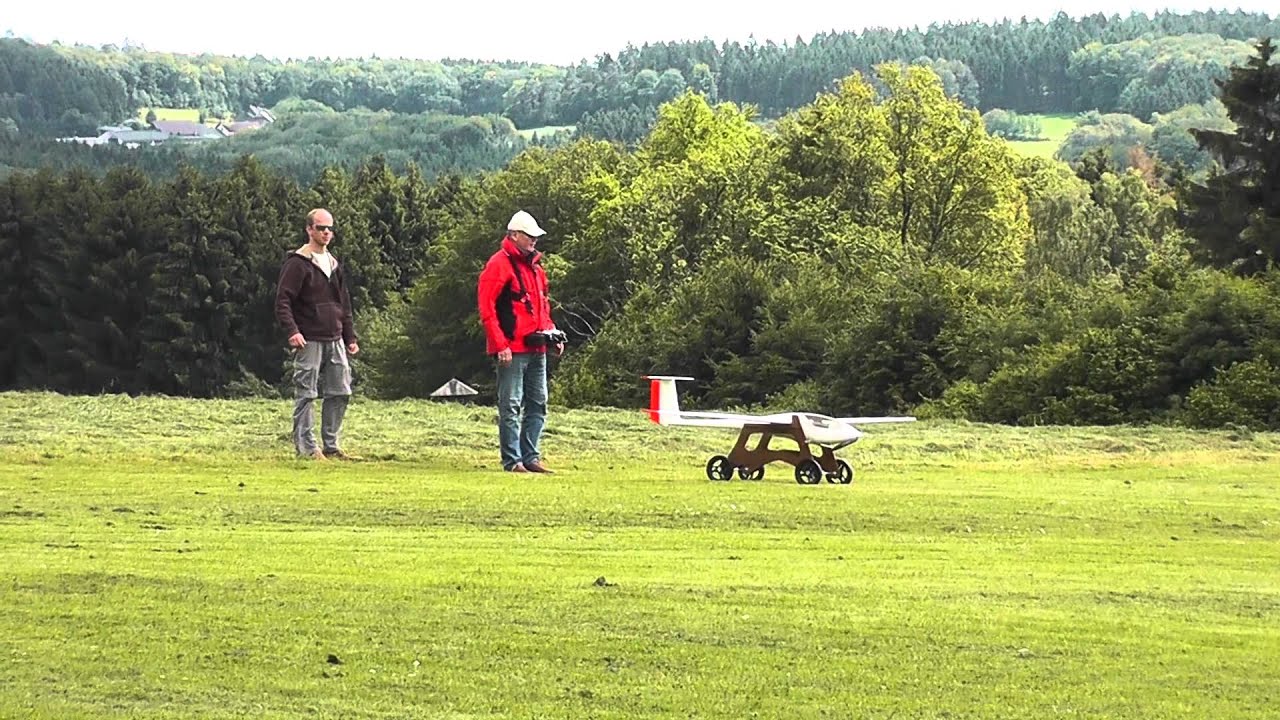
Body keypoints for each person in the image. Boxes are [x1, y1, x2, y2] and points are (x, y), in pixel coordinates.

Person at [477, 210, 565, 473]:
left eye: (535, 237)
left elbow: (542, 309)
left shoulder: (536, 270)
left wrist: (553, 335)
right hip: (512, 350)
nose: (534, 241)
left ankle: (531, 457)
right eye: (529, 236)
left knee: (538, 402)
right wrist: (500, 343)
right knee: (511, 404)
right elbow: (487, 308)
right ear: (514, 235)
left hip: (536, 347)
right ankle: (513, 460)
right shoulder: (498, 264)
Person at [275, 208, 360, 460]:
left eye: (329, 228)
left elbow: (343, 304)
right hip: (309, 338)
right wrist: (292, 331)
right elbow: (283, 301)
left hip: (335, 337)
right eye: (321, 228)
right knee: (307, 393)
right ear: (309, 229)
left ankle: (331, 446)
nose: (326, 232)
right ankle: (307, 449)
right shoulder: (297, 263)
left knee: (340, 391)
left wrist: (350, 337)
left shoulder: (334, 264)